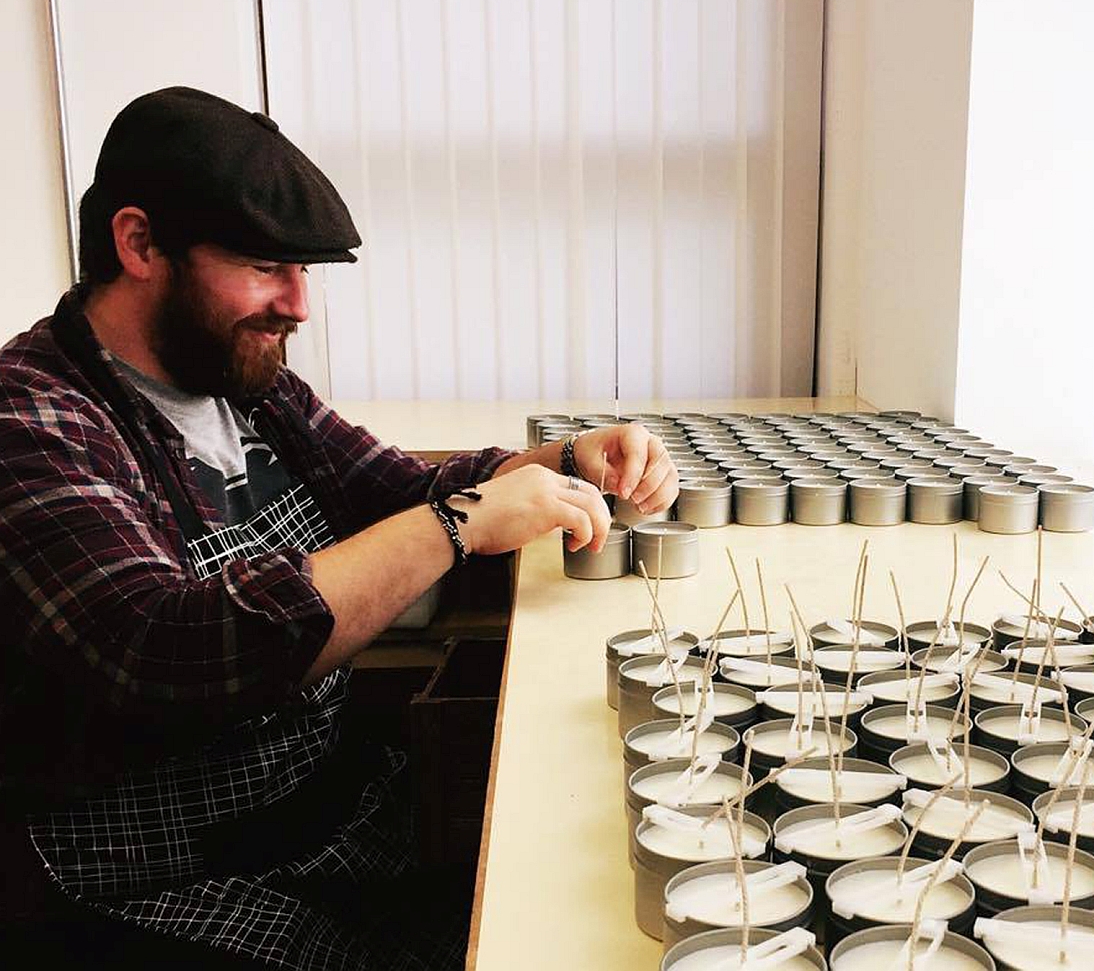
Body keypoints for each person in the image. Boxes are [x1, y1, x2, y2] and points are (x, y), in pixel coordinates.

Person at [0, 86, 678, 969]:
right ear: (139, 244)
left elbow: (398, 491)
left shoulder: (242, 380)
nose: (298, 305)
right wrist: (460, 523)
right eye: (263, 265)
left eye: (305, 271)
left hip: (324, 829)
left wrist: (566, 463)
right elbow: (169, 646)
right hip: (160, 888)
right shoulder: (32, 419)